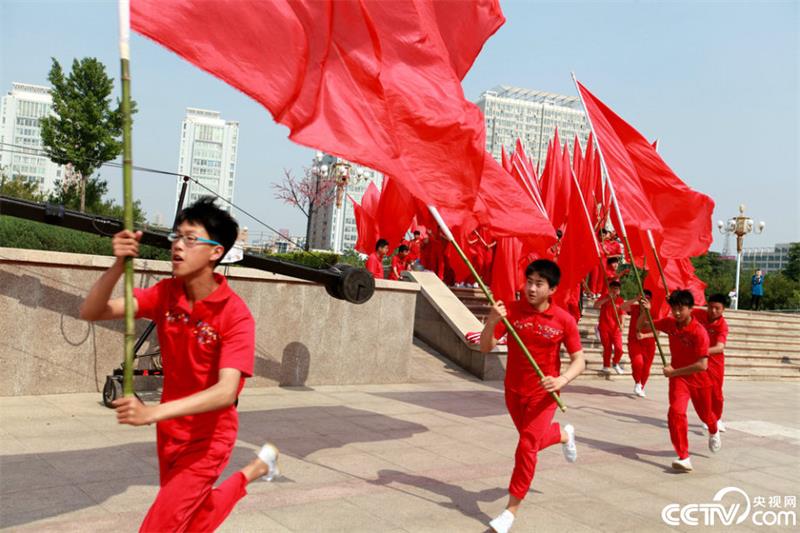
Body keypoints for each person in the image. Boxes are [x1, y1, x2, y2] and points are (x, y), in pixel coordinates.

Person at [79, 197, 279, 532]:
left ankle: (254, 469)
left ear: (216, 251)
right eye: (176, 237)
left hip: (209, 439)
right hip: (170, 434)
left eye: (190, 239)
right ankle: (253, 471)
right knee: (192, 521)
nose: (178, 246)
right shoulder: (165, 293)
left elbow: (226, 393)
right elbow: (91, 311)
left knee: (159, 527)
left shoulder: (235, 315)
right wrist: (117, 265)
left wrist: (151, 412)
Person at [480, 259, 586, 533]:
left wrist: (561, 379)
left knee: (526, 446)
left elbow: (579, 361)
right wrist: (492, 322)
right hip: (514, 392)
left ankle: (510, 511)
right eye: (529, 281)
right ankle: (562, 435)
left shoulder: (564, 320)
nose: (531, 288)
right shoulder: (512, 311)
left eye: (539, 284)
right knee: (532, 443)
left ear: (552, 289)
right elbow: (485, 347)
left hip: (544, 396)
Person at [640, 290, 721, 472]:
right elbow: (644, 327)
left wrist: (674, 371)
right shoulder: (670, 323)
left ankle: (714, 430)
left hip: (700, 380)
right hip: (679, 380)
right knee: (676, 413)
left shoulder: (699, 332)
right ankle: (684, 456)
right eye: (673, 309)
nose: (676, 313)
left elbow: (702, 365)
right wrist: (646, 311)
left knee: (706, 415)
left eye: (681, 309)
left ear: (690, 309)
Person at [693, 293, 730, 432]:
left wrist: (702, 351)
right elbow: (683, 311)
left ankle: (717, 417)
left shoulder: (722, 325)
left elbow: (720, 347)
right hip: (698, 361)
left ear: (723, 309)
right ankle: (707, 417)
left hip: (715, 362)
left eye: (717, 308)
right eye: (710, 307)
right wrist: (672, 302)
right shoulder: (699, 314)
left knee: (716, 393)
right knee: (702, 391)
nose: (713, 311)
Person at [623, 289, 656, 397]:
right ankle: (637, 382)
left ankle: (641, 386)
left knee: (646, 368)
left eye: (647, 299)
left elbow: (658, 332)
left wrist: (645, 335)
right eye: (642, 299)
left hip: (649, 344)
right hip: (634, 341)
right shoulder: (635, 308)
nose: (643, 302)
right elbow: (622, 307)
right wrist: (635, 299)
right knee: (637, 363)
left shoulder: (654, 312)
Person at [594, 280, 626, 375]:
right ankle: (606, 365)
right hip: (604, 327)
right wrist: (607, 299)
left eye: (617, 289)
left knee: (619, 349)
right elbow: (595, 305)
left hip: (616, 328)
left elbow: (622, 313)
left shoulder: (620, 300)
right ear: (609, 289)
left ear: (619, 291)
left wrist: (623, 324)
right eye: (613, 288)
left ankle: (615, 363)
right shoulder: (604, 297)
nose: (615, 290)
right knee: (607, 347)